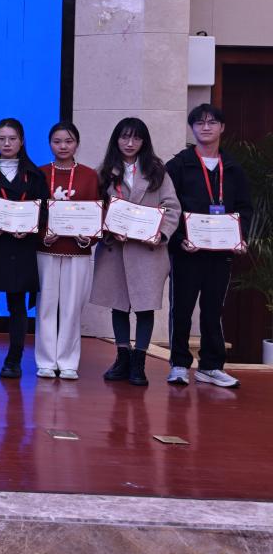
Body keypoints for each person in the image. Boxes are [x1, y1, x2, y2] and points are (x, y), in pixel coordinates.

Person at [165, 104, 253, 388]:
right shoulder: (178, 166)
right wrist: (180, 238)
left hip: (221, 252)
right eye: (200, 122)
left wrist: (240, 237)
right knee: (182, 308)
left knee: (213, 309)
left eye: (212, 122)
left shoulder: (234, 168)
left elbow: (244, 208)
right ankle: (179, 364)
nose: (206, 127)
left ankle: (211, 366)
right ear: (192, 128)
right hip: (187, 251)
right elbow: (168, 207)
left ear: (222, 127)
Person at [91, 118, 181, 387]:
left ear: (144, 141)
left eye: (136, 138)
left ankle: (139, 362)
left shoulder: (157, 171)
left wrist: (160, 234)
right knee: (118, 305)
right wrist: (107, 228)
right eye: (124, 137)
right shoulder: (104, 171)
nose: (130, 143)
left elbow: (172, 207)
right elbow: (94, 208)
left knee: (145, 307)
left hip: (147, 251)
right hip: (114, 250)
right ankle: (122, 358)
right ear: (116, 139)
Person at [0, 118, 48, 379]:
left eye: (12, 139)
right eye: (1, 138)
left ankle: (14, 360)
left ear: (22, 141)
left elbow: (44, 211)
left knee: (17, 305)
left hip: (21, 247)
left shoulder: (34, 174)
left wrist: (30, 228)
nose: (7, 143)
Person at [35, 122, 100, 380]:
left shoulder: (89, 175)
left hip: (77, 251)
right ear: (50, 144)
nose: (63, 146)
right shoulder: (40, 173)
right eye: (57, 141)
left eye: (69, 141)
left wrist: (88, 238)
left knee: (72, 307)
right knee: (46, 305)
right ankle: (45, 361)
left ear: (77, 144)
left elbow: (97, 212)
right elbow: (33, 211)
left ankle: (68, 362)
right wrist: (42, 235)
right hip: (46, 250)